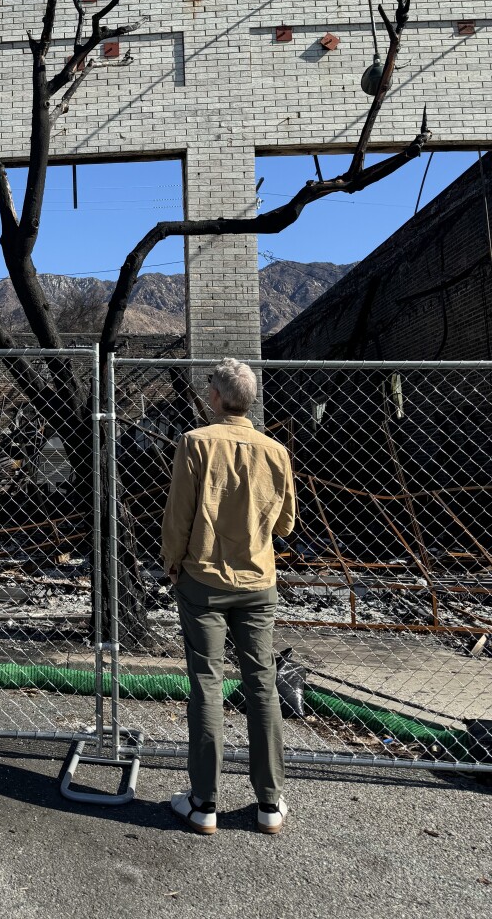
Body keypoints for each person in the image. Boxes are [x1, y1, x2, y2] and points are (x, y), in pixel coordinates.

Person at [162, 357, 296, 836]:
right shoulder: (277, 451)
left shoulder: (195, 443)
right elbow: (286, 524)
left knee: (207, 684)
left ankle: (204, 803)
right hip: (259, 582)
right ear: (251, 399)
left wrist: (171, 562)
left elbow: (179, 516)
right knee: (262, 684)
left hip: (203, 581)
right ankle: (269, 803)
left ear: (215, 397)